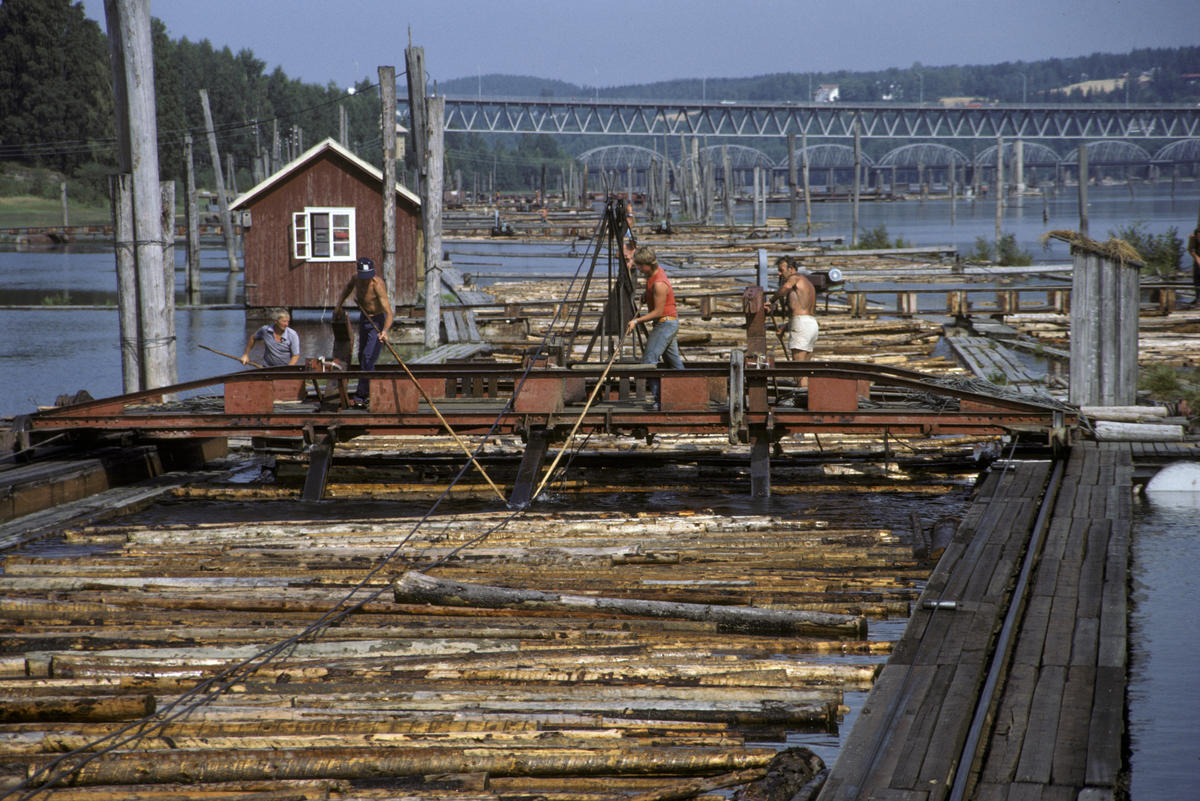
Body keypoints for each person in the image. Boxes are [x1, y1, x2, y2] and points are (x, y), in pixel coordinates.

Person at [625, 246, 683, 408]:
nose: (637, 268)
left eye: (639, 266)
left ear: (647, 265)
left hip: (665, 323)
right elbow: (654, 296)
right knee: (674, 363)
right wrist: (646, 296)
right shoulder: (652, 275)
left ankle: (660, 400)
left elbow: (657, 312)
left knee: (649, 360)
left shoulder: (659, 283)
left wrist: (636, 321)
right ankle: (687, 394)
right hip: (666, 322)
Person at [334, 256, 394, 408]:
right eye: (364, 277)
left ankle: (361, 395)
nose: (366, 280)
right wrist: (338, 306)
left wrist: (385, 331)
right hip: (364, 319)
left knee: (368, 357)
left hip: (377, 322)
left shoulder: (377, 285)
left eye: (369, 277)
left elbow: (389, 312)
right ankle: (370, 392)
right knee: (362, 357)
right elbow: (346, 290)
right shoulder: (356, 279)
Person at [765, 256, 818, 361]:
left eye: (781, 270)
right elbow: (799, 310)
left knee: (798, 370)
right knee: (804, 369)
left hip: (802, 325)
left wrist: (771, 301)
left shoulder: (795, 277)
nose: (779, 274)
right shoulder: (808, 284)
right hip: (811, 325)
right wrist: (785, 327)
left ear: (791, 269)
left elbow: (786, 287)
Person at [1187, 225, 1200, 304]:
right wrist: (1197, 259)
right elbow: (1191, 250)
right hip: (1198, 257)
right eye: (1198, 237)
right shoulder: (1193, 239)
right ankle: (1198, 298)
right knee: (1197, 278)